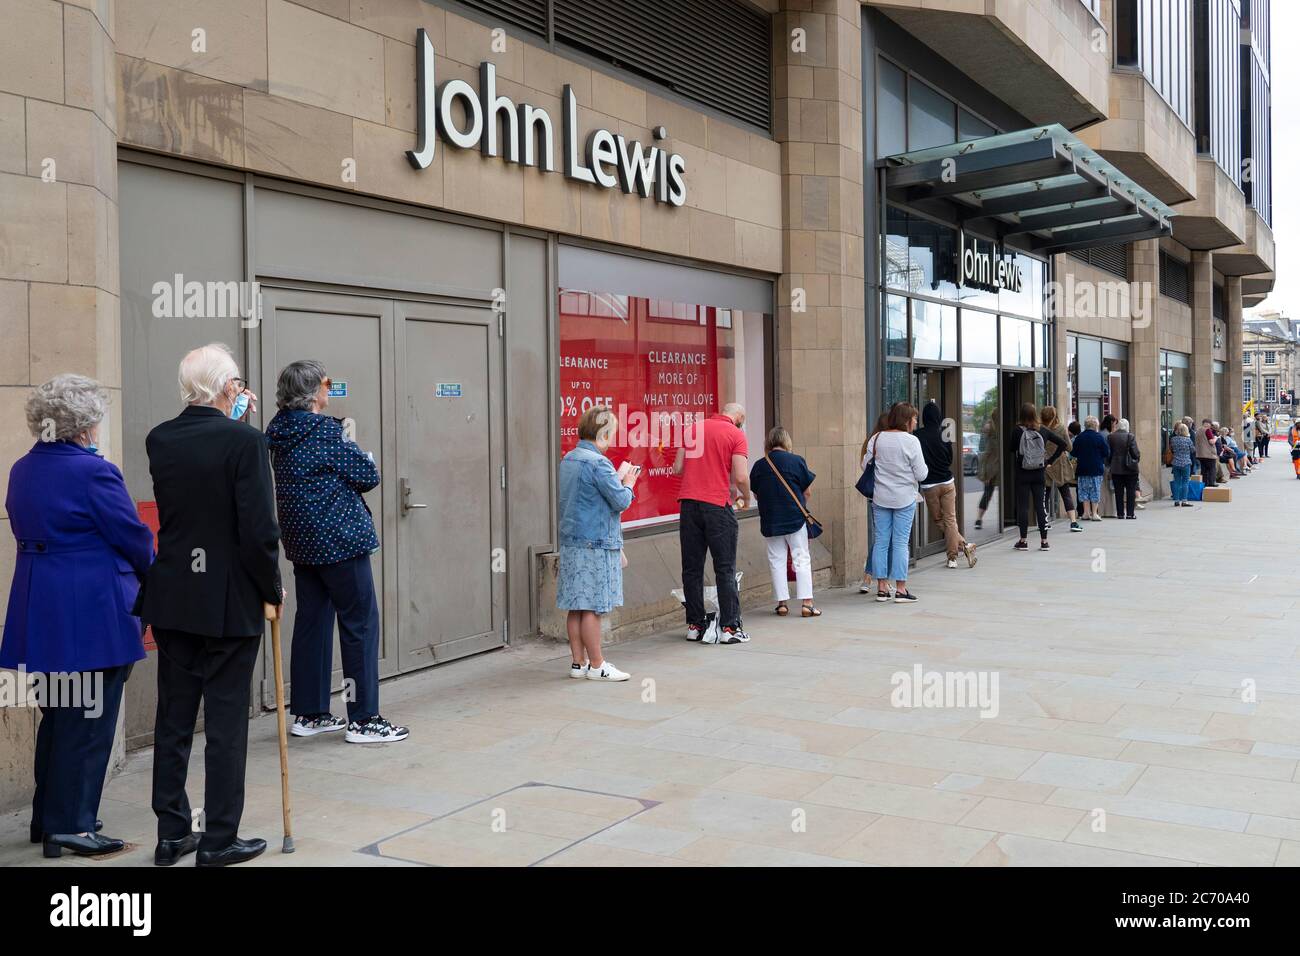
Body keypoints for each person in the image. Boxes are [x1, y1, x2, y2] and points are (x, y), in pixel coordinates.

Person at [139, 343, 283, 868]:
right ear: (228, 388)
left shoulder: (160, 439)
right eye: (239, 383)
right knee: (225, 723)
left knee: (174, 719)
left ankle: (172, 833)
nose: (243, 391)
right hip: (227, 599)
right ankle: (219, 838)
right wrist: (272, 587)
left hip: (174, 593)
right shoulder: (245, 441)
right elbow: (259, 531)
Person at [1, 375, 154, 859]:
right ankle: (72, 824)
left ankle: (49, 815)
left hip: (38, 606)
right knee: (89, 720)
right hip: (90, 610)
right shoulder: (94, 472)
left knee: (60, 715)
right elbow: (134, 539)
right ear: (85, 425)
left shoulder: (23, 468)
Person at [264, 361, 408, 743]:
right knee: (359, 625)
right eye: (327, 383)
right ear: (313, 394)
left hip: (303, 545)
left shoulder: (277, 432)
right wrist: (366, 460)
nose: (331, 389)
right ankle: (364, 718)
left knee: (311, 623)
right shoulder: (328, 432)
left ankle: (310, 713)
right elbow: (367, 476)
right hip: (341, 542)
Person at [557, 406, 638, 680]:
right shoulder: (598, 463)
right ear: (603, 432)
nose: (613, 438)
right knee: (593, 605)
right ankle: (597, 664)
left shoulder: (569, 459)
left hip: (571, 541)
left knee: (576, 605)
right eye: (612, 432)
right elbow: (620, 501)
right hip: (596, 542)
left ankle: (578, 664)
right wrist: (628, 482)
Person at [674, 402, 750, 644]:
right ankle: (729, 628)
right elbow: (741, 476)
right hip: (717, 505)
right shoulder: (736, 434)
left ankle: (695, 625)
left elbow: (677, 468)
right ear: (738, 418)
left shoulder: (693, 429)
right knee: (725, 568)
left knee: (691, 568)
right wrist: (746, 497)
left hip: (688, 504)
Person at [749, 426, 820, 617]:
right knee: (801, 559)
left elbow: (756, 494)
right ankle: (806, 603)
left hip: (771, 519)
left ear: (769, 443)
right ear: (786, 442)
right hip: (795, 519)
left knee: (776, 560)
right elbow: (807, 492)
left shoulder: (759, 465)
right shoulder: (797, 461)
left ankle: (782, 603)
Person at [864, 402, 927, 602]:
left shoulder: (877, 438)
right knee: (900, 542)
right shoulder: (911, 441)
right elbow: (921, 473)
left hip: (880, 497)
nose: (916, 421)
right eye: (914, 418)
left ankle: (881, 587)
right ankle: (900, 589)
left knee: (881, 541)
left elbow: (865, 465)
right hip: (904, 498)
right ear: (906, 420)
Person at [913, 401, 976, 569]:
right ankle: (955, 555)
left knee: (939, 519)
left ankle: (960, 549)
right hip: (948, 482)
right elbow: (949, 459)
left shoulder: (917, 435)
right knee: (950, 519)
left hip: (930, 485)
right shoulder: (944, 434)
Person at [1010, 403, 1068, 550]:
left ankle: (1023, 541)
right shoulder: (1042, 430)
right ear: (1035, 414)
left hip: (1023, 472)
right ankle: (1044, 541)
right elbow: (1063, 444)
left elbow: (1011, 449)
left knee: (1023, 507)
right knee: (1040, 506)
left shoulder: (1017, 431)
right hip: (1039, 473)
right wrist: (1049, 461)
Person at [859, 413, 889, 593]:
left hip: (874, 494)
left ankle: (870, 577)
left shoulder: (871, 441)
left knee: (881, 538)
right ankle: (877, 578)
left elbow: (864, 466)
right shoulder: (881, 441)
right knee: (885, 539)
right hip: (885, 495)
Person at [1041, 406, 1081, 533]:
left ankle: (1044, 522)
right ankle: (1073, 523)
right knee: (1065, 493)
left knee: (1045, 495)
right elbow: (1069, 447)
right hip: (1059, 464)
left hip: (1045, 463)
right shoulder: (1061, 428)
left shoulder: (1040, 428)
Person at [1071, 416, 1110, 522]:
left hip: (1082, 468)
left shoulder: (1080, 437)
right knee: (1095, 490)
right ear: (1096, 425)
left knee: (1084, 491)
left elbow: (1073, 452)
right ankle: (1095, 513)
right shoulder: (1099, 437)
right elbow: (1106, 452)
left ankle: (1086, 513)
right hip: (1096, 468)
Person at [1108, 418, 1141, 519]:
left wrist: (1110, 463)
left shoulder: (1111, 437)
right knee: (1131, 491)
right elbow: (1135, 453)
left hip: (1116, 468)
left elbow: (1109, 454)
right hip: (1130, 469)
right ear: (1127, 426)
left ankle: (1120, 513)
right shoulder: (1130, 436)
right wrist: (1137, 458)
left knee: (1119, 492)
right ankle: (1130, 514)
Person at [973, 420, 999, 531]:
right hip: (993, 470)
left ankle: (979, 519)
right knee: (987, 494)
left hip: (993, 469)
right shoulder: (991, 438)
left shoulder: (991, 437)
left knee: (987, 494)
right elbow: (986, 457)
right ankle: (978, 519)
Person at [1168, 422, 1194, 506]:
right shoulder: (1188, 440)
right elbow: (1193, 450)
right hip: (1186, 462)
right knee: (1185, 482)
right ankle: (1184, 500)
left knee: (1177, 482)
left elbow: (1171, 449)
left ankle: (1176, 500)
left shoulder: (1173, 439)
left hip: (1175, 462)